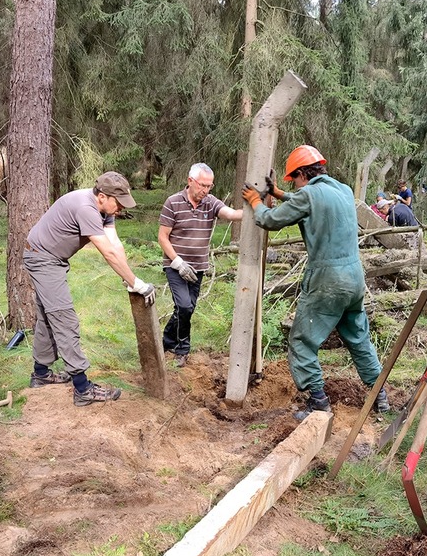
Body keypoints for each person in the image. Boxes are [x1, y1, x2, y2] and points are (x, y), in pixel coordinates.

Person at [243, 145, 392, 419]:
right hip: (354, 279)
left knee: (301, 341)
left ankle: (318, 402)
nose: (295, 186)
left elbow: (270, 220)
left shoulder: (309, 195)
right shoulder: (344, 190)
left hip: (328, 281)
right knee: (359, 338)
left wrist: (256, 202)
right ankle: (379, 396)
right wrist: (279, 193)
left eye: (294, 181)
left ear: (302, 174)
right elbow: (311, 200)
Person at [23, 172, 156, 405]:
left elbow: (115, 245)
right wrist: (137, 283)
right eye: (118, 203)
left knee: (47, 317)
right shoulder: (86, 207)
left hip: (50, 258)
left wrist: (129, 279)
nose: (121, 209)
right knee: (64, 319)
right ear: (102, 196)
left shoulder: (106, 210)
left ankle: (41, 374)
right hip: (43, 259)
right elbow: (106, 252)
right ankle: (83, 389)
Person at [157, 163, 243, 365]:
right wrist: (178, 263)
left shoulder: (210, 202)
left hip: (199, 266)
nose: (205, 190)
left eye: (209, 186)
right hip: (175, 265)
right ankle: (182, 349)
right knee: (184, 306)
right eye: (202, 185)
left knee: (187, 308)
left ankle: (167, 341)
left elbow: (230, 214)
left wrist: (256, 208)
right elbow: (163, 237)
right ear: (190, 181)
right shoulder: (173, 202)